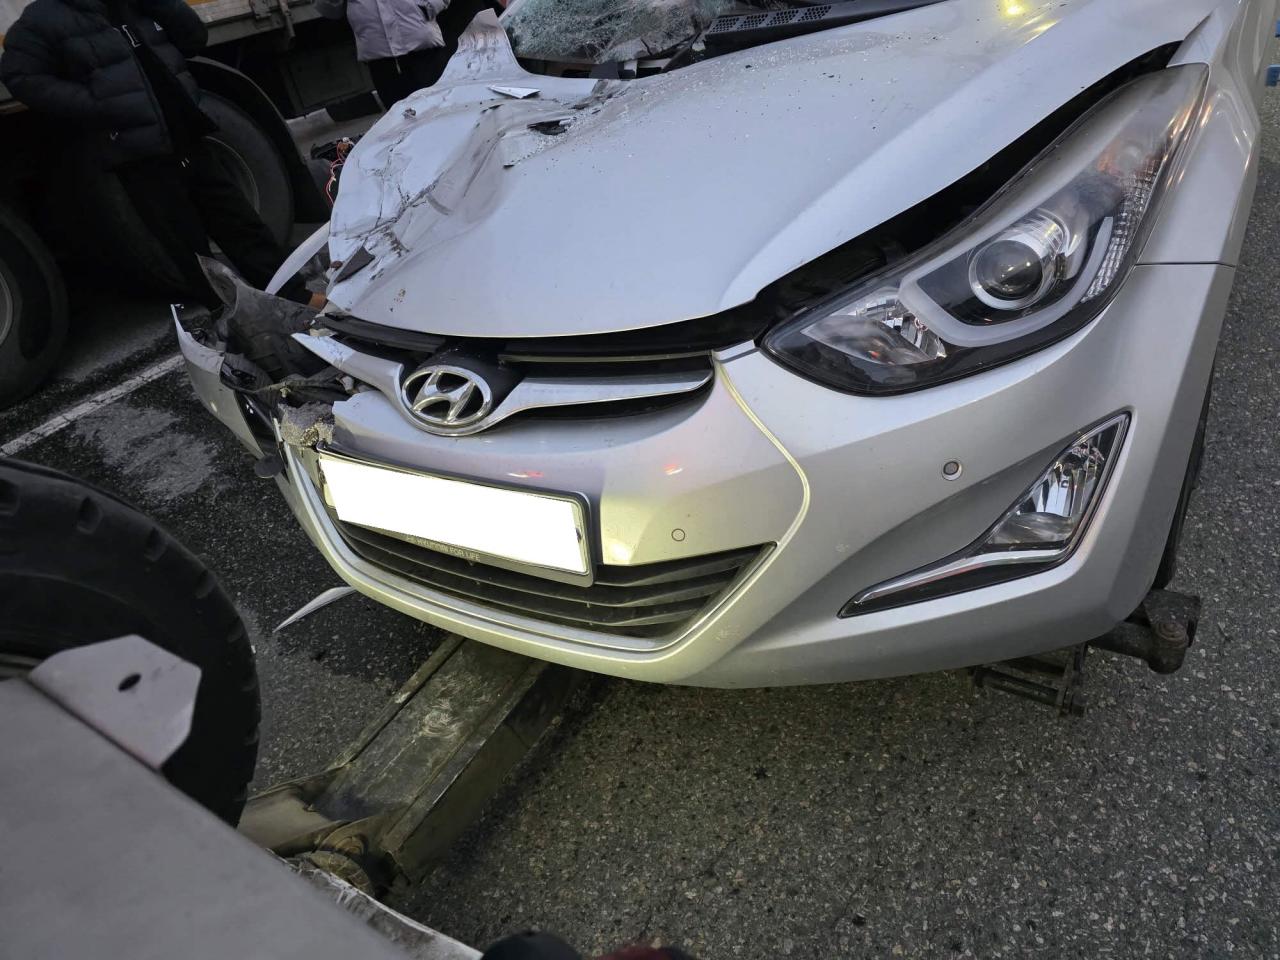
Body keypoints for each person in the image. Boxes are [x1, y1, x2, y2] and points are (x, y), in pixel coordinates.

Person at [0, 0, 319, 306]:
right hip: (140, 155)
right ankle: (229, 317)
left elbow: (193, 38)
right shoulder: (46, 16)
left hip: (188, 138)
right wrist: (95, 105)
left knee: (242, 225)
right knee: (189, 249)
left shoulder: (137, 5)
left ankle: (295, 297)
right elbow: (20, 75)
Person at [316, 0, 503, 109]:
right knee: (400, 122)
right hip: (380, 58)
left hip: (423, 48)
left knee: (443, 108)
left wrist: (428, 5)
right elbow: (330, 10)